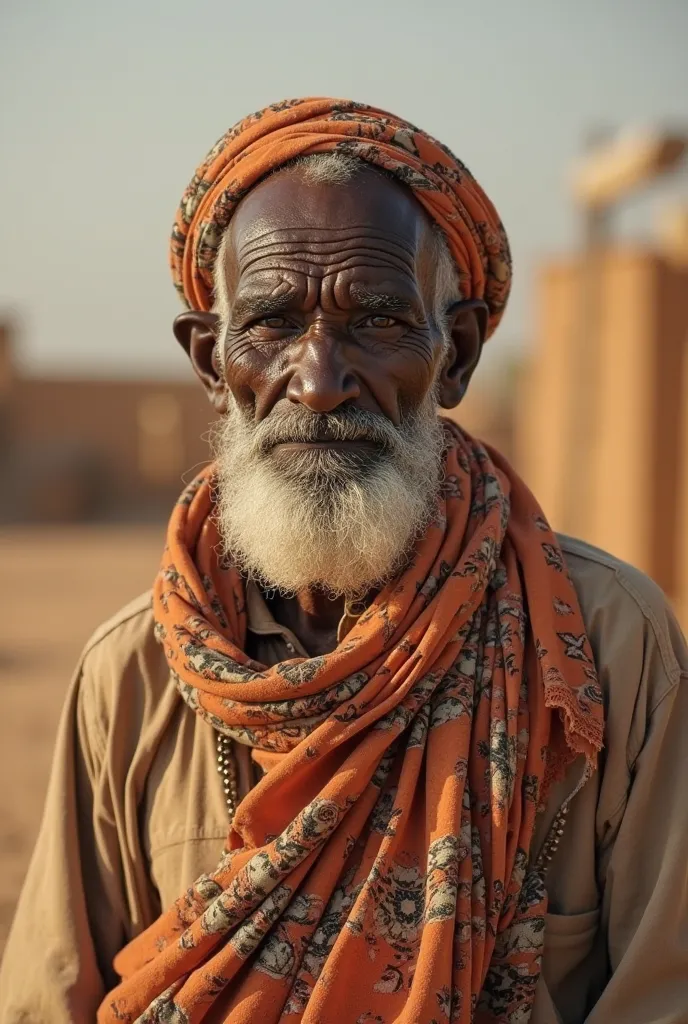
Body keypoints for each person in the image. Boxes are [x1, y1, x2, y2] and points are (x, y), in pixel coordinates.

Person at [1, 97, 686, 1024]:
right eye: (274, 323)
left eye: (376, 321)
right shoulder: (127, 680)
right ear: (211, 361)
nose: (319, 382)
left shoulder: (607, 650)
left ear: (459, 355)